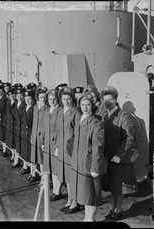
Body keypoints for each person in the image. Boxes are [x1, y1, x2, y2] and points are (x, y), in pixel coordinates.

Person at [100, 86, 138, 221]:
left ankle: (118, 210)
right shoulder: (105, 115)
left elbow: (129, 138)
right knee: (112, 185)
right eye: (105, 100)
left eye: (110, 99)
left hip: (118, 156)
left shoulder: (123, 116)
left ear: (116, 100)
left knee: (119, 186)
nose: (107, 102)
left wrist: (119, 155)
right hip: (109, 156)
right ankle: (112, 209)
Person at [69, 92, 105, 221]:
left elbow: (98, 147)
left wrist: (95, 167)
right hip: (79, 162)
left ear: (92, 106)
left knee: (92, 192)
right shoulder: (80, 119)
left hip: (89, 164)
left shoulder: (96, 123)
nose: (85, 107)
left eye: (88, 105)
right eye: (83, 105)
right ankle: (87, 218)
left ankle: (90, 218)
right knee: (85, 192)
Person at [55, 86, 80, 213]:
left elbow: (78, 133)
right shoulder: (61, 112)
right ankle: (70, 200)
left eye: (68, 99)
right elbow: (58, 131)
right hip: (62, 149)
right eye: (64, 99)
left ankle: (74, 202)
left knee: (71, 177)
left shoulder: (76, 112)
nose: (66, 101)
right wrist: (57, 147)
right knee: (65, 176)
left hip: (71, 150)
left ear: (72, 100)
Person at [41, 89, 62, 195]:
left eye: (54, 99)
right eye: (50, 99)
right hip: (48, 143)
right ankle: (54, 189)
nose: (52, 101)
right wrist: (43, 142)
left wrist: (58, 146)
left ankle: (57, 190)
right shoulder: (46, 111)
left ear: (58, 100)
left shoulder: (60, 111)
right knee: (51, 167)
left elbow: (60, 130)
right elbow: (44, 127)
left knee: (57, 168)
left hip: (55, 144)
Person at [28, 86, 48, 184]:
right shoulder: (35, 107)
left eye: (44, 97)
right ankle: (34, 174)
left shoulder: (47, 109)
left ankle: (44, 179)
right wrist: (32, 136)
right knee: (35, 157)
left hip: (42, 137)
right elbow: (34, 123)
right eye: (41, 97)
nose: (43, 99)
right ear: (38, 98)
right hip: (35, 136)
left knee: (42, 159)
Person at [18, 89, 36, 176]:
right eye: (26, 99)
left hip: (30, 133)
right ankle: (26, 168)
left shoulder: (34, 108)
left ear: (33, 99)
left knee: (31, 155)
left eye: (29, 99)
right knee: (25, 153)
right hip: (24, 133)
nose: (28, 101)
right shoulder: (25, 107)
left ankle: (33, 174)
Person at [11, 86, 26, 168]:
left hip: (22, 128)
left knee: (22, 146)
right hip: (17, 127)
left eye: (21, 95)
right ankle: (17, 160)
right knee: (18, 145)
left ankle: (24, 165)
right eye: (17, 95)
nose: (19, 97)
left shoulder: (25, 104)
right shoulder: (16, 104)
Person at [2, 86, 17, 158]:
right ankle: (11, 153)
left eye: (13, 96)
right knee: (9, 140)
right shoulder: (8, 102)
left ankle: (14, 157)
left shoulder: (17, 103)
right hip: (9, 123)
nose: (12, 97)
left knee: (14, 141)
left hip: (14, 124)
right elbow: (6, 112)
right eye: (10, 96)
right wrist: (5, 121)